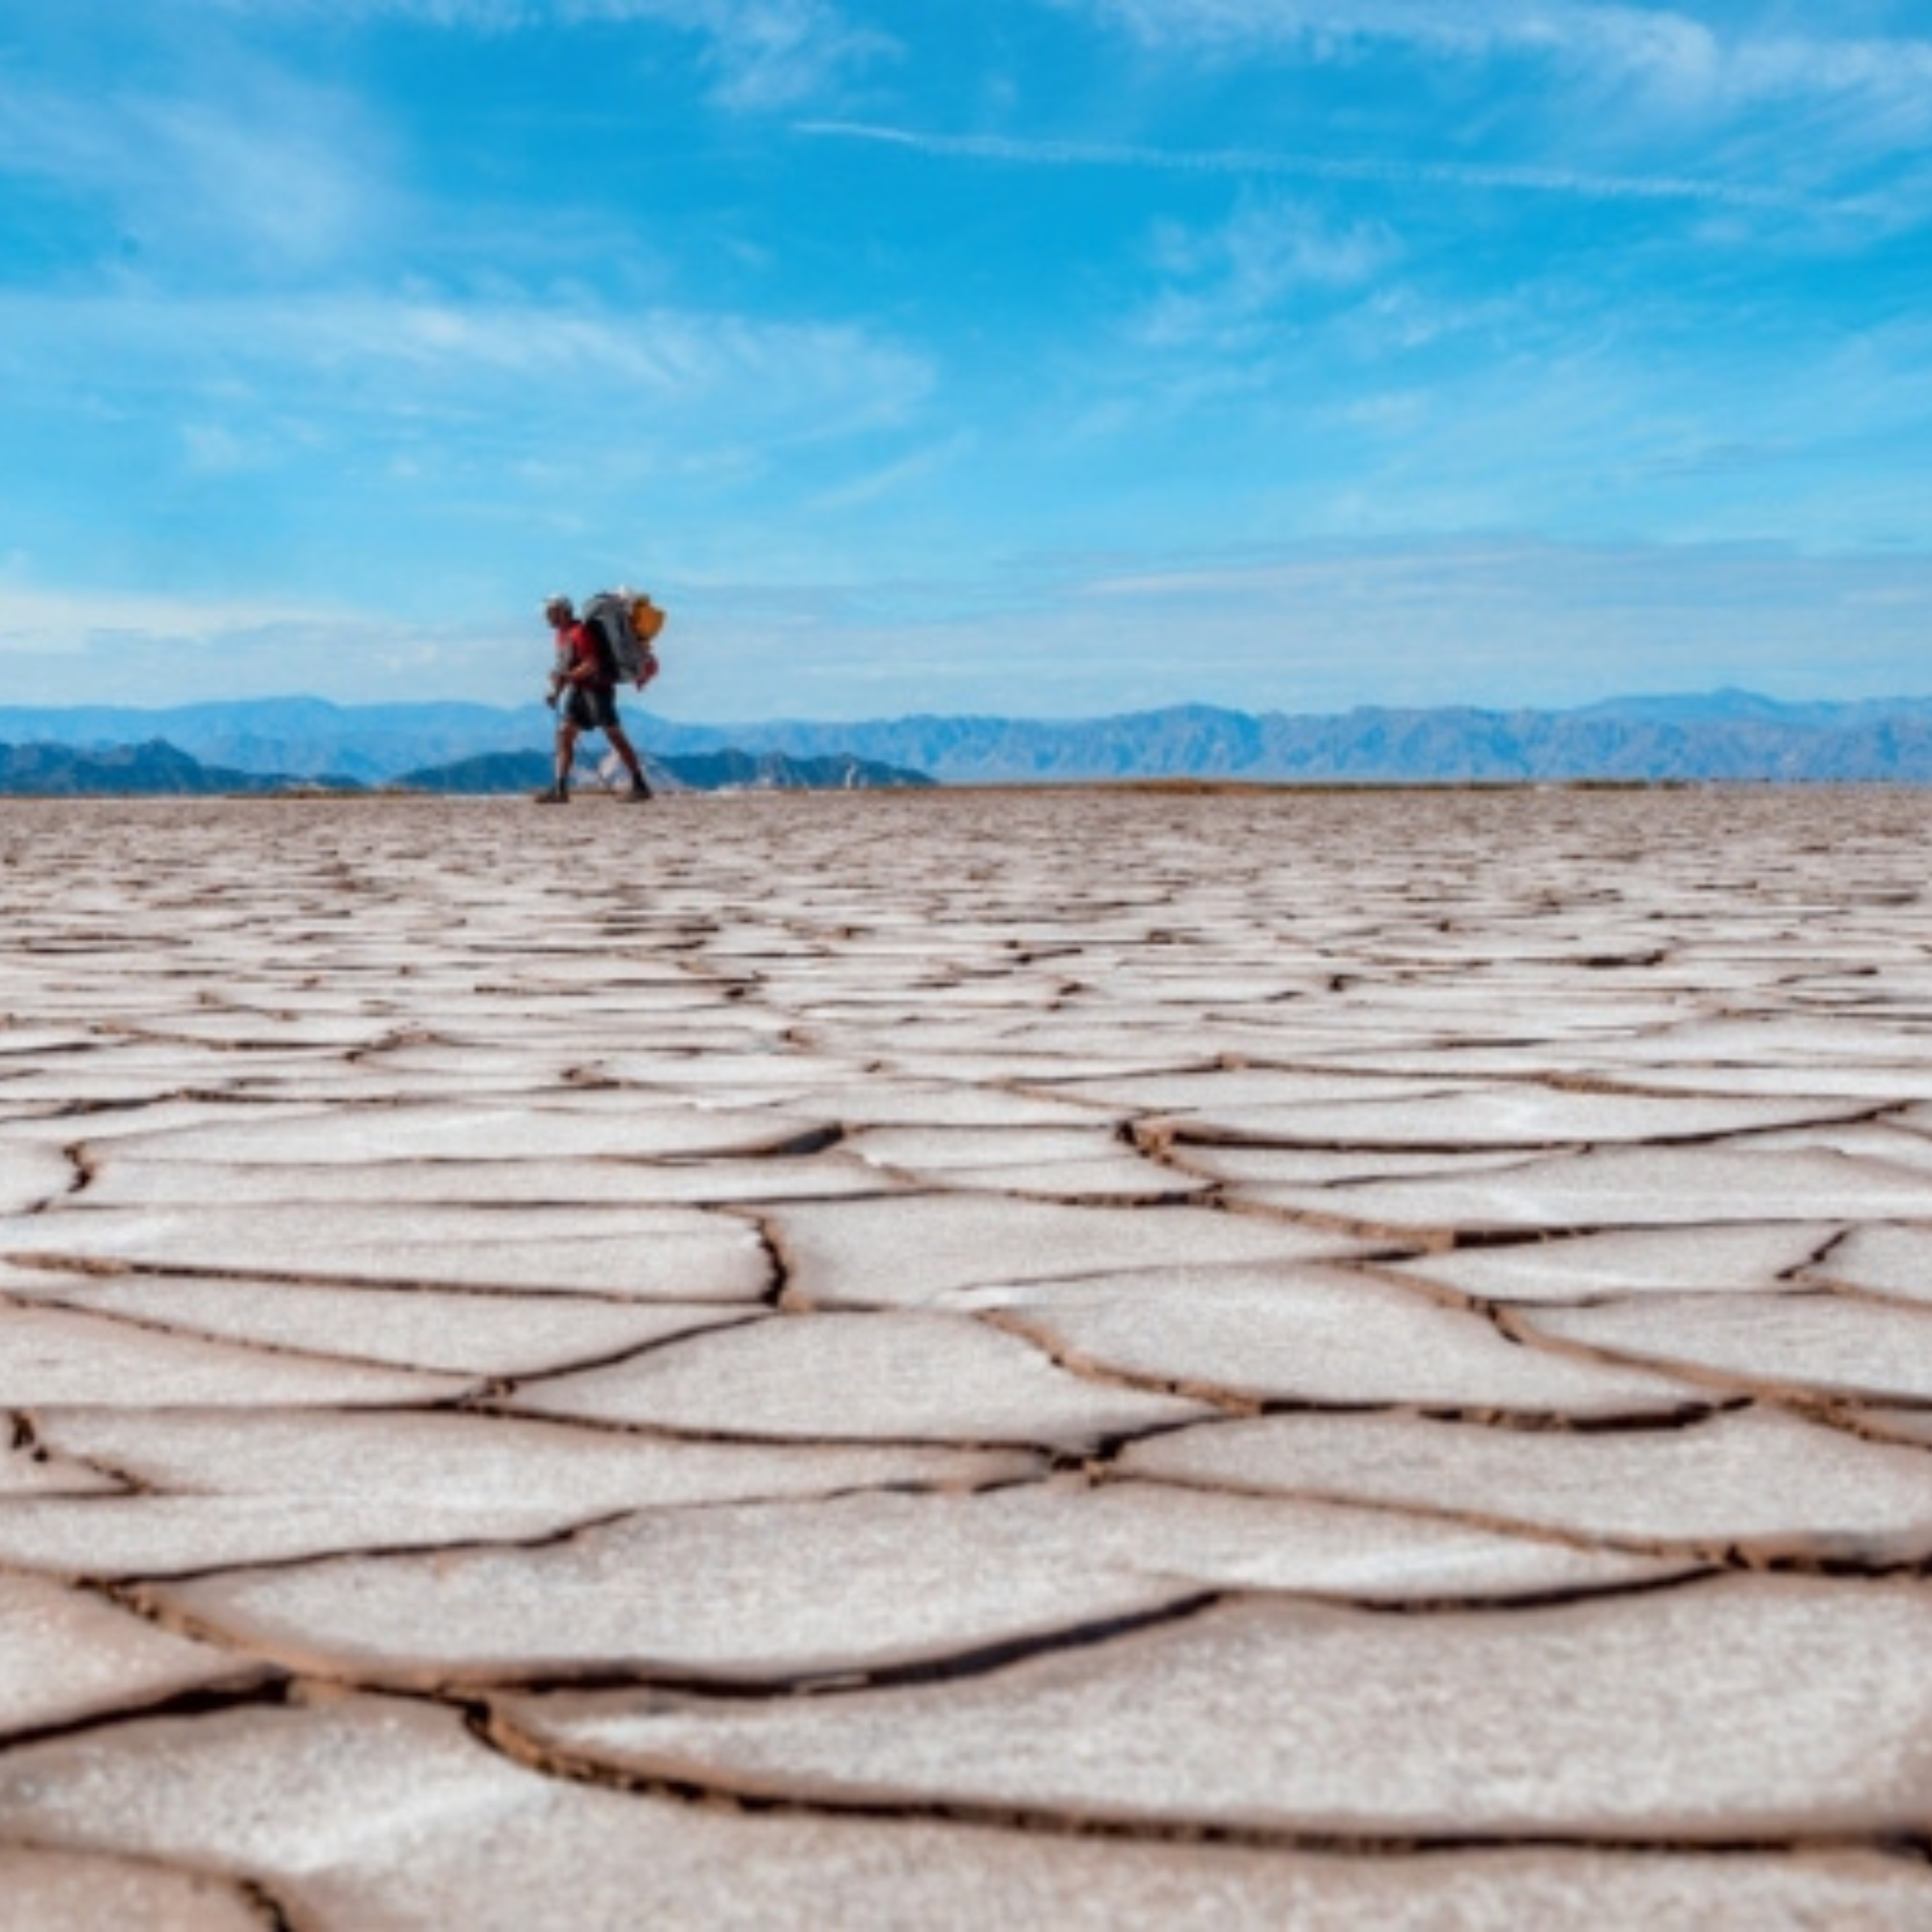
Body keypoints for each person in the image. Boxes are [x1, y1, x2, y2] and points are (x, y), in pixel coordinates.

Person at [535, 593, 653, 804]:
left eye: (550, 612)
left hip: (598, 689)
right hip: (579, 690)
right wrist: (556, 692)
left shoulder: (580, 633)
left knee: (614, 735)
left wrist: (566, 679)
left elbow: (592, 664)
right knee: (565, 734)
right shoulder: (562, 635)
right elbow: (566, 666)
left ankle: (640, 784)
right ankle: (560, 787)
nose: (547, 616)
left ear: (562, 611)